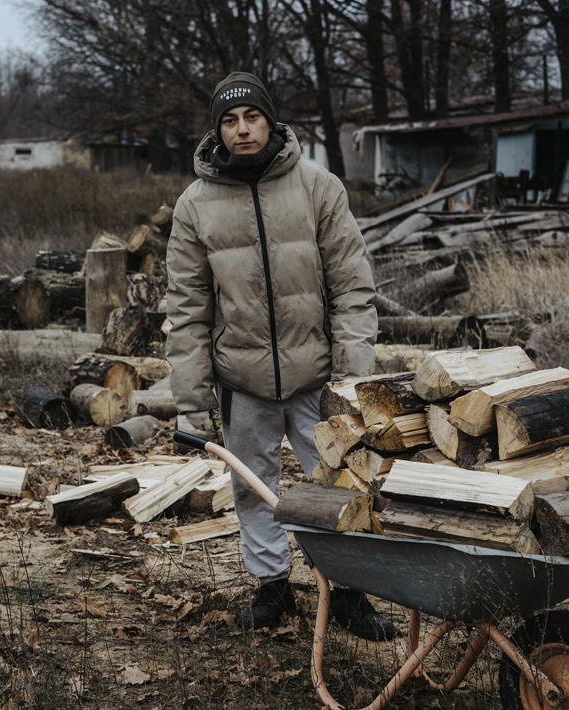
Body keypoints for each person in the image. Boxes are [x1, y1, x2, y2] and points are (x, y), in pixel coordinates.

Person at [166, 72, 396, 638]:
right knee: (252, 486)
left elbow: (352, 286)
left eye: (252, 117)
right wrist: (192, 400)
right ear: (218, 131)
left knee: (341, 483)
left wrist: (351, 376)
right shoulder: (195, 204)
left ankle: (348, 592)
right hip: (241, 378)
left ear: (270, 121)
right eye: (229, 121)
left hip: (317, 375)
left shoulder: (318, 186)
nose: (242, 129)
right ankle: (272, 587)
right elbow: (188, 309)